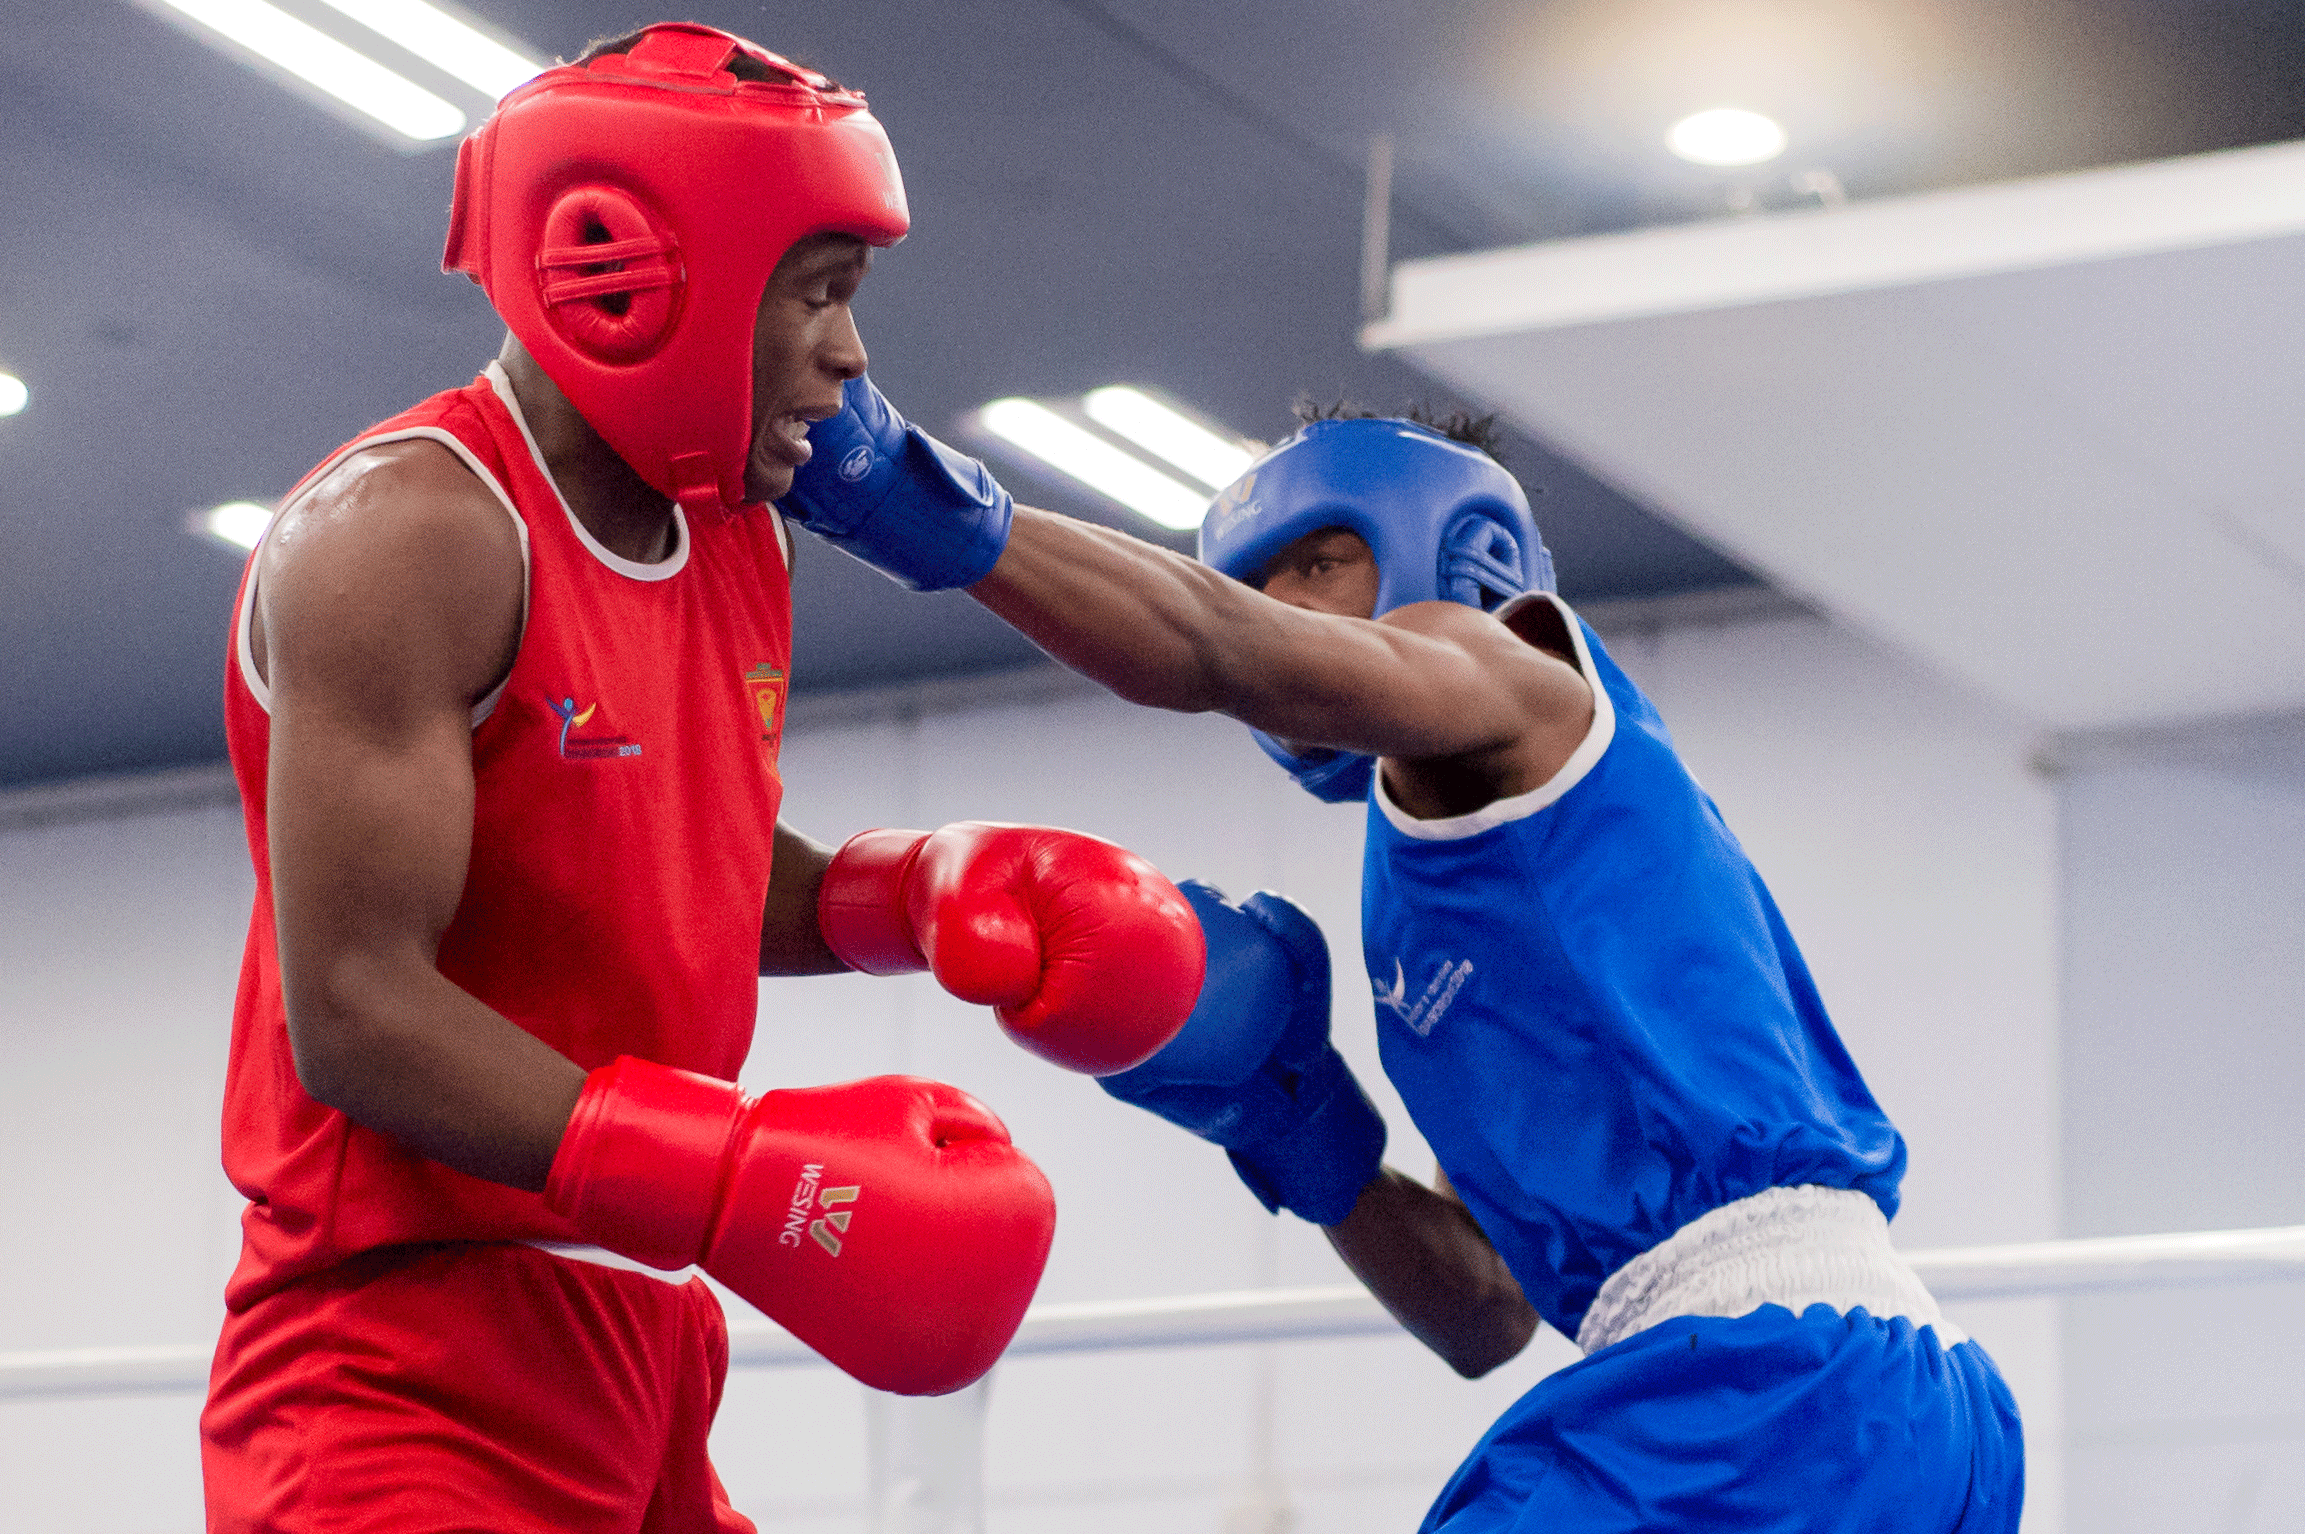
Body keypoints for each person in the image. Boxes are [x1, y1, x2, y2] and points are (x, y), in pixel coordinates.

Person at [202, 25, 1204, 1534]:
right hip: (401, 1359)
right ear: (631, 274)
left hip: (648, 1344)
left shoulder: (738, 537)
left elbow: (673, 865)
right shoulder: (410, 532)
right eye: (818, 292)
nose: (850, 355)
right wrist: (731, 1174)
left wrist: (908, 894)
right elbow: (353, 1009)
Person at [775, 389, 2026, 1529]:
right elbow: (1483, 1311)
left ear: (1458, 554)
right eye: (1259, 578)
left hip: (1771, 1390)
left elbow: (1217, 647)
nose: (1284, 602)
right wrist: (1293, 1116)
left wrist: (909, 498)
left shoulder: (1511, 670)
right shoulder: (1453, 885)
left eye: (1321, 562)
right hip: (1865, 1409)